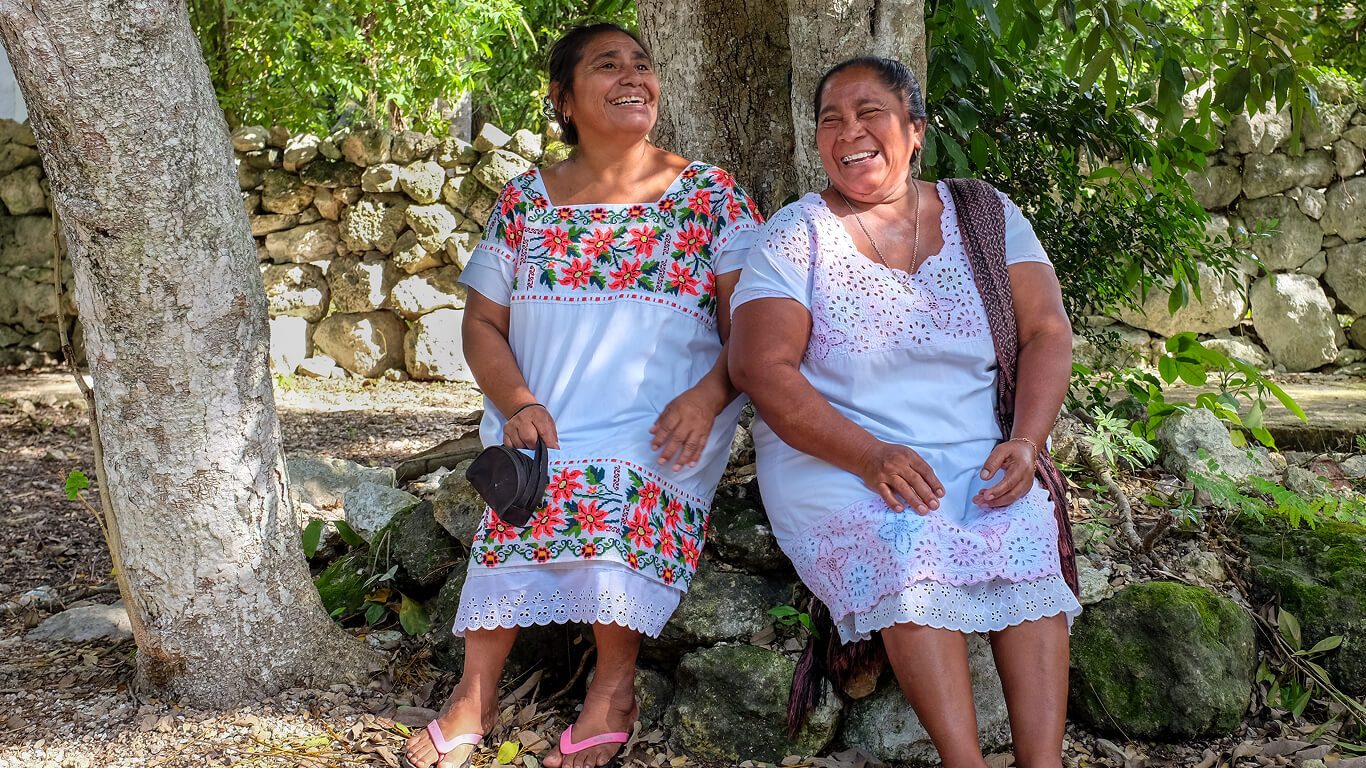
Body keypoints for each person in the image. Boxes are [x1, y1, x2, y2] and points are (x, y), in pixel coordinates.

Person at [404, 23, 761, 769]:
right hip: (544, 406)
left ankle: (614, 685)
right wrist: (521, 402)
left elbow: (753, 330)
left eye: (642, 63)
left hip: (665, 415)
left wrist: (707, 396)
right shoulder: (524, 201)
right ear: (563, 100)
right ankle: (476, 689)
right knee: (539, 466)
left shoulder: (709, 193)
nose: (633, 76)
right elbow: (482, 324)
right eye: (608, 65)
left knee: (613, 472)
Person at [728, 56, 1080, 767]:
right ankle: (965, 761)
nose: (849, 132)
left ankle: (1043, 763)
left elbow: (1047, 332)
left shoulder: (984, 214)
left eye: (869, 114)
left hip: (974, 444)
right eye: (831, 120)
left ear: (915, 130)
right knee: (905, 542)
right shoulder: (799, 234)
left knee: (1022, 526)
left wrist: (1025, 439)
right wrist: (869, 455)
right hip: (837, 457)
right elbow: (759, 367)